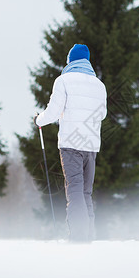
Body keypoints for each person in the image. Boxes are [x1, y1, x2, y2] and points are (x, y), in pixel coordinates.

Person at [34, 44, 107, 241]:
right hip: (91, 145)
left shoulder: (63, 80)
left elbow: (54, 111)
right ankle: (88, 235)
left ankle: (78, 237)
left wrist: (39, 119)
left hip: (70, 145)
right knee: (85, 192)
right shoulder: (99, 85)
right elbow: (103, 114)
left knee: (74, 189)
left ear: (70, 61)